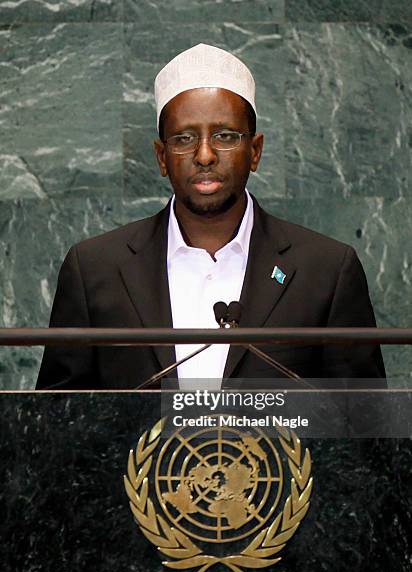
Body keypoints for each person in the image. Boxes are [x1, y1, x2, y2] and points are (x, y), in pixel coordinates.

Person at [36, 44, 385, 390]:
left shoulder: (326, 270)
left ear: (256, 151)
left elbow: (365, 426)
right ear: (161, 157)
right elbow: (54, 422)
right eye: (184, 138)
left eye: (225, 136)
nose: (205, 155)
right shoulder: (95, 269)